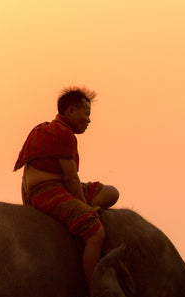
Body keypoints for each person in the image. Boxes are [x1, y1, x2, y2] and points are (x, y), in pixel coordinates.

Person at [14, 87, 120, 286]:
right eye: (86, 114)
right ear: (71, 111)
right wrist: (86, 210)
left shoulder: (48, 129)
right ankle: (94, 290)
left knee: (111, 193)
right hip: (48, 192)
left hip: (56, 186)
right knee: (96, 233)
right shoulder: (61, 133)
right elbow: (71, 178)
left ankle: (84, 213)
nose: (89, 120)